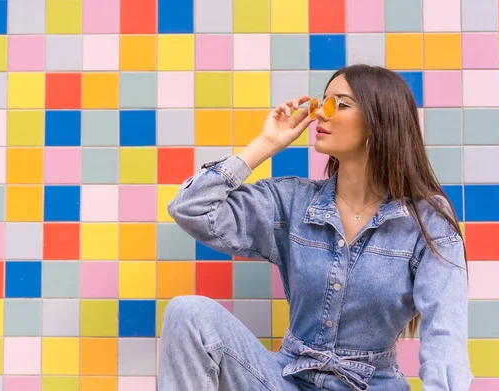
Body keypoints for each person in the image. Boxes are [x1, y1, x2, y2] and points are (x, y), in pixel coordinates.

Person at [157, 64, 473, 391]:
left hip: (372, 385)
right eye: (323, 102)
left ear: (379, 120)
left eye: (340, 103)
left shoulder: (426, 218)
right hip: (285, 381)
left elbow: (445, 334)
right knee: (188, 313)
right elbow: (190, 208)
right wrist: (266, 144)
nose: (320, 114)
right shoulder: (292, 201)